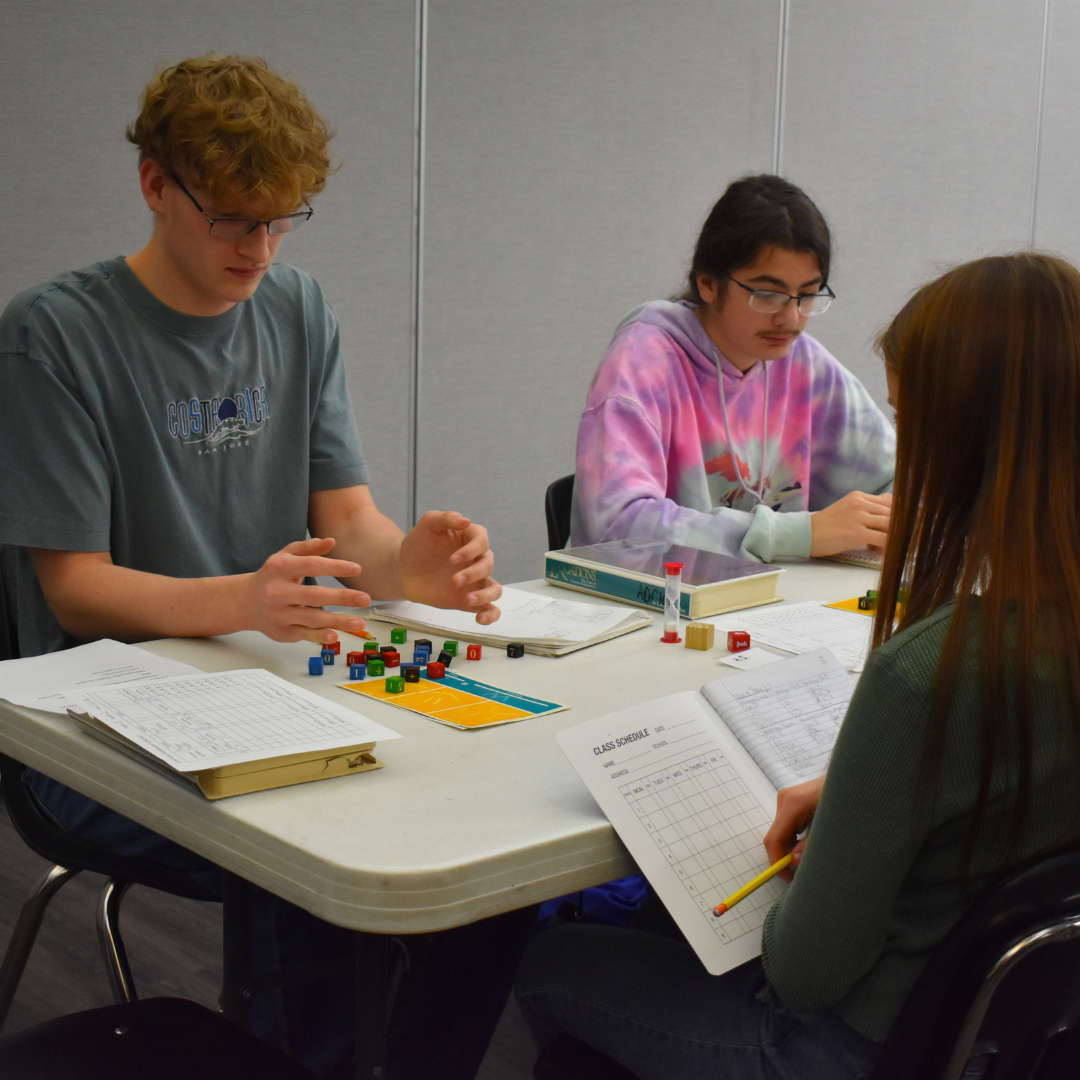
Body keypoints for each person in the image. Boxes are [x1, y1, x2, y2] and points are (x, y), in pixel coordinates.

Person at [0, 54, 533, 1080]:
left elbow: (348, 525)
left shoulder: (296, 308)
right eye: (235, 220)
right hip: (97, 721)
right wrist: (241, 600)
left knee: (488, 864)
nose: (260, 248)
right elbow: (75, 589)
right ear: (156, 185)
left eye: (283, 221)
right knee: (315, 864)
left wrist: (406, 567)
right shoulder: (52, 337)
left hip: (274, 684)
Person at [517, 252, 1080, 1079]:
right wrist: (862, 803)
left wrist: (829, 862)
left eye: (910, 420)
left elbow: (802, 971)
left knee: (547, 963)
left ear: (959, 438)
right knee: (654, 928)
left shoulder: (924, 675)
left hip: (848, 1045)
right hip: (1024, 1034)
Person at [570, 174, 895, 563]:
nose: (790, 319)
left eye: (807, 295)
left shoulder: (803, 364)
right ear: (708, 283)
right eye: (767, 294)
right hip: (657, 596)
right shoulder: (644, 361)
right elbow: (616, 527)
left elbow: (900, 479)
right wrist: (796, 534)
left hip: (773, 594)